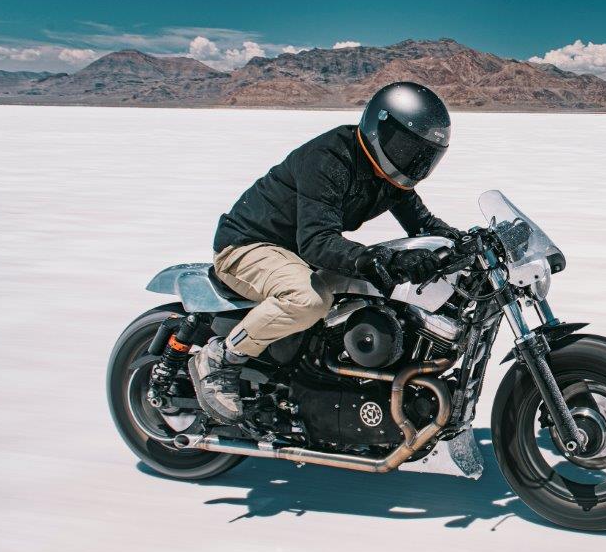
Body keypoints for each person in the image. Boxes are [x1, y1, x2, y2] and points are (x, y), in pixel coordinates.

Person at [188, 81, 461, 423]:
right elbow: (317, 241)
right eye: (407, 147)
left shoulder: (389, 179)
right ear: (381, 129)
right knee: (308, 299)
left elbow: (423, 224)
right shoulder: (331, 158)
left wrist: (463, 242)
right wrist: (378, 259)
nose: (413, 160)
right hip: (248, 246)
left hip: (295, 255)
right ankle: (221, 358)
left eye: (422, 154)